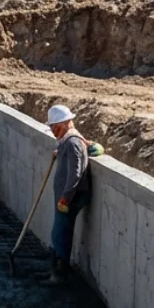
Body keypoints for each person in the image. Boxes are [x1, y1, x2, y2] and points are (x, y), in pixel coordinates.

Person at [46, 104, 105, 284]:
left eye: (54, 127)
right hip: (68, 196)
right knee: (59, 231)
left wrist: (66, 198)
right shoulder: (67, 140)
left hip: (71, 197)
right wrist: (59, 152)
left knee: (60, 233)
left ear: (64, 124)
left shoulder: (73, 142)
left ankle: (59, 274)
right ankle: (57, 272)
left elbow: (75, 174)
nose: (52, 131)